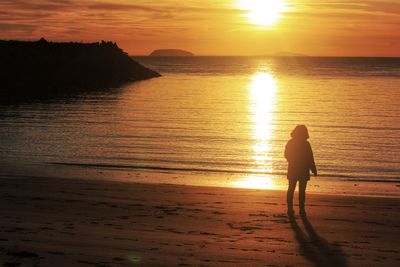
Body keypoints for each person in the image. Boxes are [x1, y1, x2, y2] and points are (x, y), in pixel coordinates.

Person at [284, 125, 317, 214]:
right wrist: (313, 168)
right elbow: (310, 158)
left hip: (294, 169)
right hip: (302, 169)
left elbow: (286, 155)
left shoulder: (291, 142)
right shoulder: (306, 144)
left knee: (291, 188)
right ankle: (301, 209)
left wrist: (313, 168)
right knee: (301, 190)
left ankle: (290, 208)